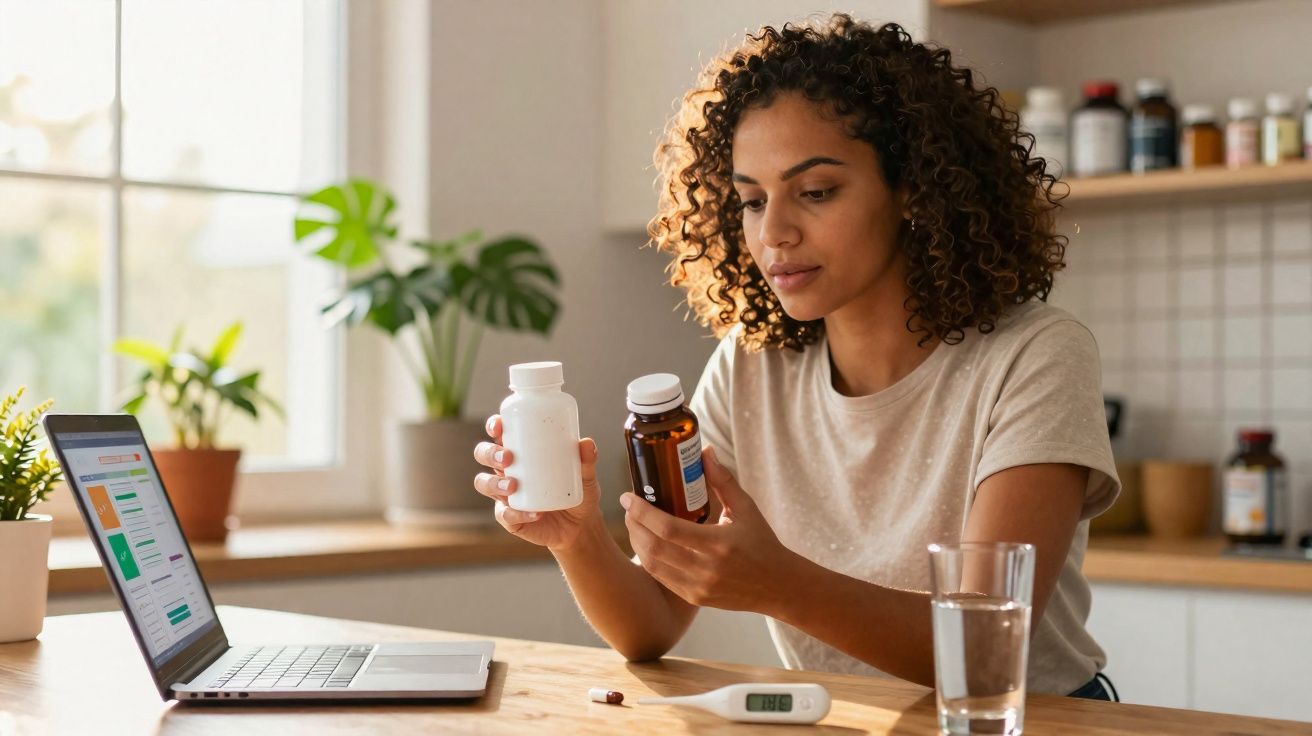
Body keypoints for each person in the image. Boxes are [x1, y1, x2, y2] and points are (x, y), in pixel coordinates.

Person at [473, 14, 1121, 700]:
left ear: (913, 189)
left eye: (815, 192)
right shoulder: (752, 366)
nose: (774, 232)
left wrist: (780, 584)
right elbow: (651, 626)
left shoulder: (1036, 356)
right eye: (751, 201)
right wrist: (576, 537)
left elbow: (983, 649)